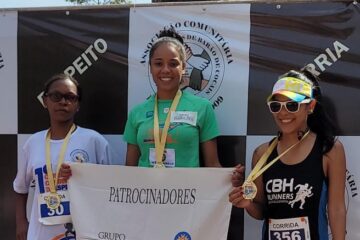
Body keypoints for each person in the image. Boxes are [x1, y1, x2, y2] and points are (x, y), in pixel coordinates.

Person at [229, 68, 346, 240]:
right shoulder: (261, 153)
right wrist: (246, 203)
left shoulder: (329, 149)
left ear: (310, 106)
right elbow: (260, 211)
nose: (283, 113)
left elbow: (337, 209)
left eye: (292, 105)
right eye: (276, 106)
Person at [13, 74, 111, 240]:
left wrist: (83, 175)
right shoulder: (33, 142)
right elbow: (20, 188)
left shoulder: (94, 141)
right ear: (45, 101)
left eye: (70, 97)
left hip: (83, 232)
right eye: (56, 96)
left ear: (77, 104)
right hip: (41, 233)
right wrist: (21, 222)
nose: (63, 102)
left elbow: (109, 187)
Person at [123, 28, 221, 168]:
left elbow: (213, 165)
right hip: (146, 190)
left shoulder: (202, 108)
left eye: (173, 64)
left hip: (188, 189)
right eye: (158, 63)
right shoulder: (136, 113)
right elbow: (129, 170)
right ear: (150, 67)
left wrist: (230, 179)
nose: (166, 70)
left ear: (183, 67)